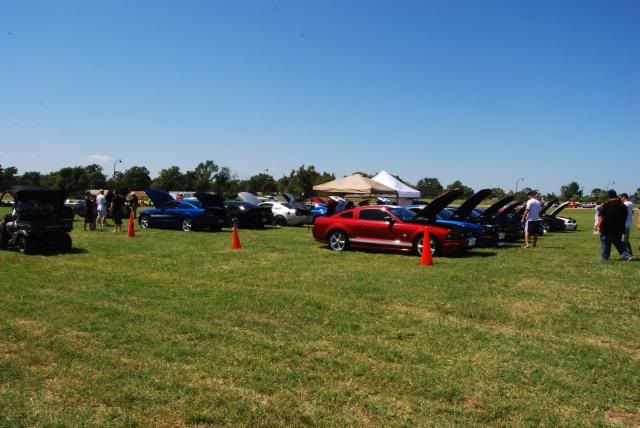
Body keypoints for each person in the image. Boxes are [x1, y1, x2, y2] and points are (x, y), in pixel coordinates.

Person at [596, 190, 632, 261]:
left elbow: (601, 216)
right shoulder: (623, 206)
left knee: (605, 243)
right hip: (619, 228)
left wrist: (598, 226)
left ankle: (604, 257)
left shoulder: (606, 205)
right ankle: (627, 256)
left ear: (608, 196)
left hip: (606, 228)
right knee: (619, 243)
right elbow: (625, 216)